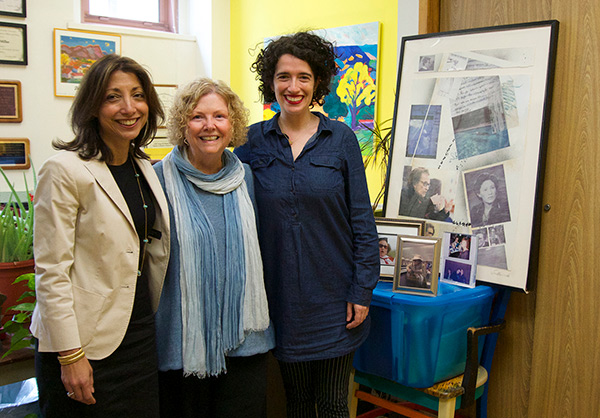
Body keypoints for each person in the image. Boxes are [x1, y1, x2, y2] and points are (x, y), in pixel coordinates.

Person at [235, 31, 379, 418]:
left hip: (336, 299)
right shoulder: (251, 142)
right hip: (280, 299)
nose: (293, 87)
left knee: (332, 404)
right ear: (271, 81)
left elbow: (362, 221)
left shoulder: (341, 139)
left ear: (317, 83)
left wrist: (362, 290)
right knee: (296, 403)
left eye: (303, 77)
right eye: (284, 76)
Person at [31, 54, 170, 418]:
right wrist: (70, 355)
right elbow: (51, 272)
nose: (129, 108)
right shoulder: (64, 170)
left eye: (137, 95)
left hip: (137, 334)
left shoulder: (144, 166)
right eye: (113, 97)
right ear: (92, 106)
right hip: (82, 344)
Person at [153, 78, 274, 418]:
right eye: (197, 117)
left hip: (246, 341)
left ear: (232, 123)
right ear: (182, 124)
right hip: (183, 344)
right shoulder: (157, 179)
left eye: (219, 116)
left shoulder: (247, 177)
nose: (209, 126)